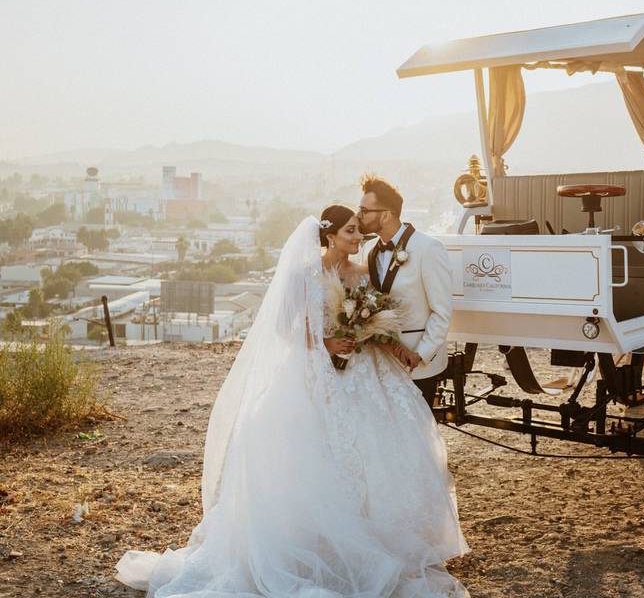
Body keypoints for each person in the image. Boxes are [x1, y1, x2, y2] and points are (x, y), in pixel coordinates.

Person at [115, 206, 469, 597]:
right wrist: (327, 343)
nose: (358, 237)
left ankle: (379, 537)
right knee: (314, 454)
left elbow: (377, 316)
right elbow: (285, 328)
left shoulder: (362, 273)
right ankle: (315, 542)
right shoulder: (304, 274)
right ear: (329, 235)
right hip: (317, 371)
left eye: (358, 231)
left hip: (363, 370)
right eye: (351, 231)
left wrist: (370, 333)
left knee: (376, 447)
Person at [356, 174, 453, 409]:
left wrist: (421, 354)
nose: (358, 215)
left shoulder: (428, 248)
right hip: (380, 360)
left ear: (386, 214)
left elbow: (442, 311)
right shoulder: (368, 249)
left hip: (417, 364)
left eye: (364, 210)